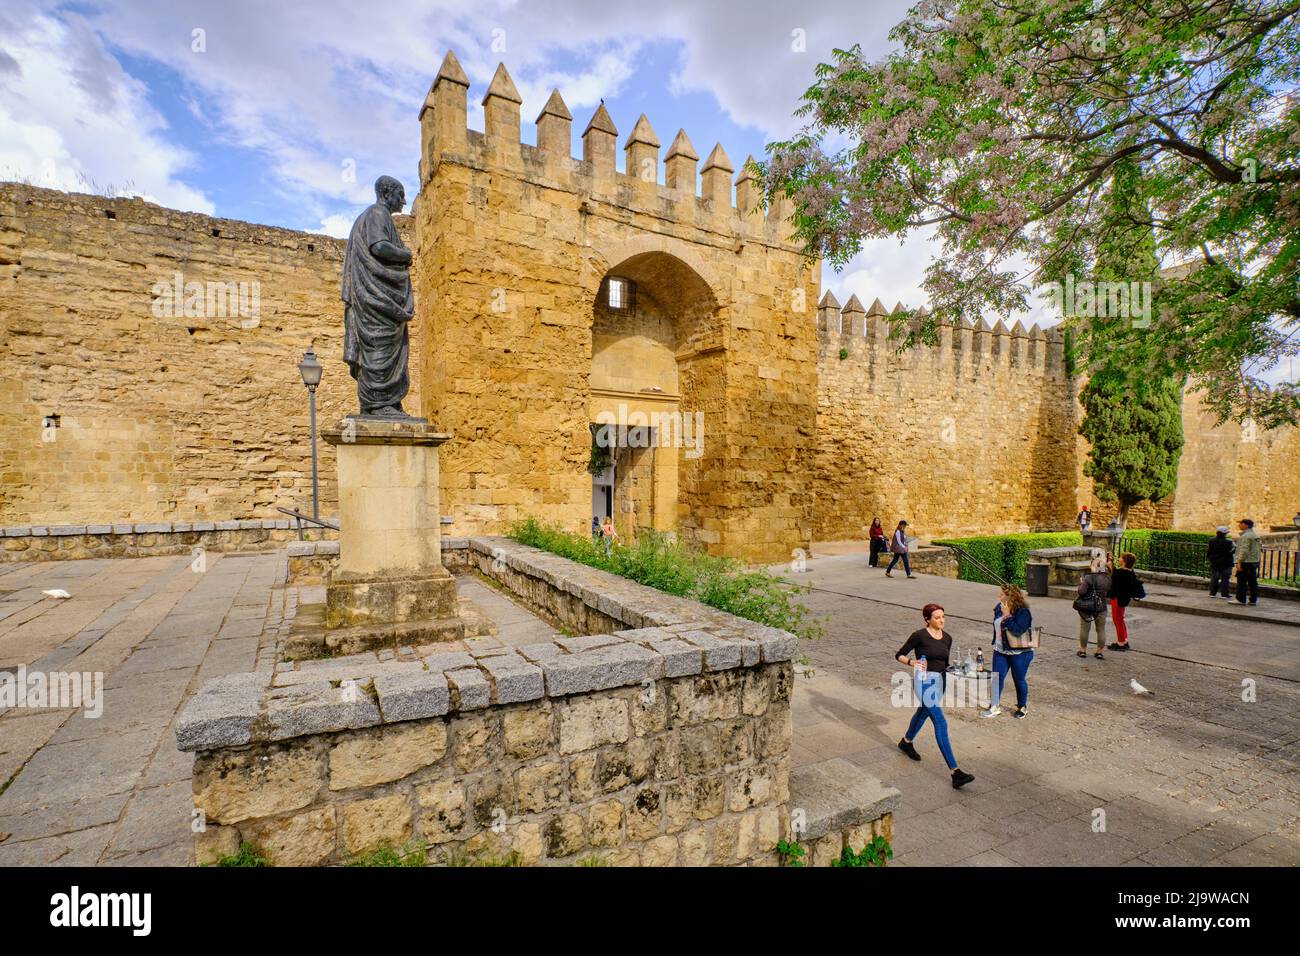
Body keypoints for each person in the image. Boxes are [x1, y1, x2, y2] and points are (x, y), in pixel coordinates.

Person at [895, 604, 975, 789]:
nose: (942, 620)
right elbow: (898, 654)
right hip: (923, 682)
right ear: (927, 619)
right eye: (937, 617)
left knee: (923, 713)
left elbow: (944, 664)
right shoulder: (919, 636)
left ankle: (906, 742)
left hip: (940, 682)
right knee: (940, 722)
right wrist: (911, 662)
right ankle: (955, 772)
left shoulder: (948, 638)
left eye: (943, 616)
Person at [981, 584, 1034, 718]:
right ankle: (994, 706)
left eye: (1002, 594)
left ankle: (1022, 706)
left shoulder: (1023, 612)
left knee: (1019, 679)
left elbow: (1017, 631)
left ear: (1010, 597)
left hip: (1019, 653)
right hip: (1000, 650)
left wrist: (1008, 616)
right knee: (996, 678)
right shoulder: (999, 607)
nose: (999, 596)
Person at [1074, 552, 1111, 659]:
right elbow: (1109, 593)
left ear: (1094, 566)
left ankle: (1082, 650)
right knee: (1101, 629)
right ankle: (1099, 652)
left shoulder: (1089, 578)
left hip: (1087, 605)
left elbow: (1081, 592)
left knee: (1085, 628)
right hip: (1101, 606)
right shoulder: (1108, 578)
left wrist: (1082, 583)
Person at [1107, 552, 1144, 652]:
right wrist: (1112, 562)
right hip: (1123, 599)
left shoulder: (1120, 573)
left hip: (1117, 599)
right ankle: (1124, 640)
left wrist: (1111, 566)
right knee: (1120, 619)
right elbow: (1116, 572)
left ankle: (1121, 643)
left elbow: (1113, 576)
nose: (1119, 559)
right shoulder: (1129, 572)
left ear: (1124, 561)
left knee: (1117, 620)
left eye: (1120, 558)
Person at [1235, 518, 1261, 605]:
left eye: (1241, 523)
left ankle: (1240, 599)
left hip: (1246, 562)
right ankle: (1253, 600)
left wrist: (1239, 562)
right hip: (1254, 562)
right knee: (1253, 582)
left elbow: (1244, 550)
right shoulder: (1255, 535)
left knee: (1241, 581)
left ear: (1246, 525)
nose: (1239, 525)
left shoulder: (1246, 536)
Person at [1207, 526, 1235, 599]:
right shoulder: (1229, 541)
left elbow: (1209, 551)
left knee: (1214, 577)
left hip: (1215, 562)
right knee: (1225, 578)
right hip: (1226, 562)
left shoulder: (1211, 540)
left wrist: (1210, 558)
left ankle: (1212, 593)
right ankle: (1224, 594)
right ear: (1225, 533)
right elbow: (1233, 550)